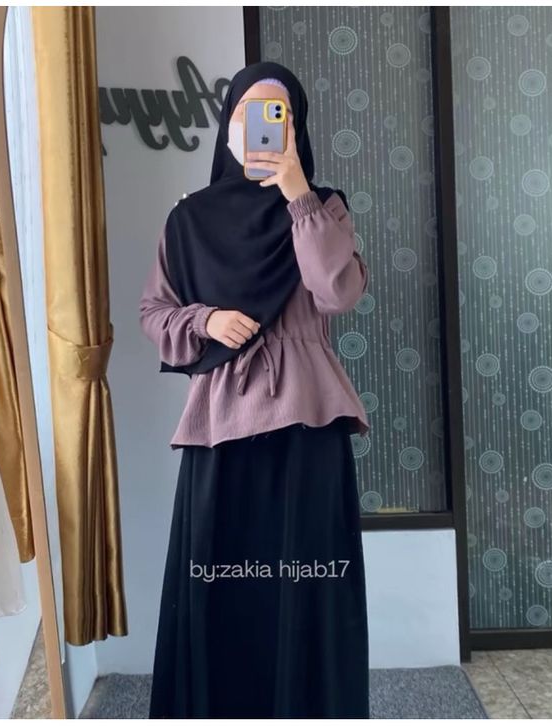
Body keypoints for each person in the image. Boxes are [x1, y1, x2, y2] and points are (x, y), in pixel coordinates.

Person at [139, 60, 371, 719]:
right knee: (218, 583)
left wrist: (298, 193)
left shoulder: (324, 207)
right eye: (250, 113)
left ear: (296, 129)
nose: (264, 127)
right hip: (221, 424)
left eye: (280, 115)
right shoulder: (189, 219)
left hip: (306, 423)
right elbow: (154, 313)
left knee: (306, 584)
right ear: (229, 125)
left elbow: (336, 292)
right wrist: (204, 320)